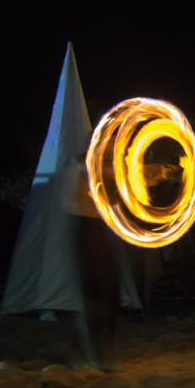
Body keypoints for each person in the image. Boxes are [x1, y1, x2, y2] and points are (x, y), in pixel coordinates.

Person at [62, 155, 119, 371]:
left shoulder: (105, 171)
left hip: (100, 229)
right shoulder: (77, 166)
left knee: (111, 292)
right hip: (84, 230)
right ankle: (93, 351)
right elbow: (72, 197)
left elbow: (114, 198)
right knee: (92, 292)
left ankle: (103, 347)